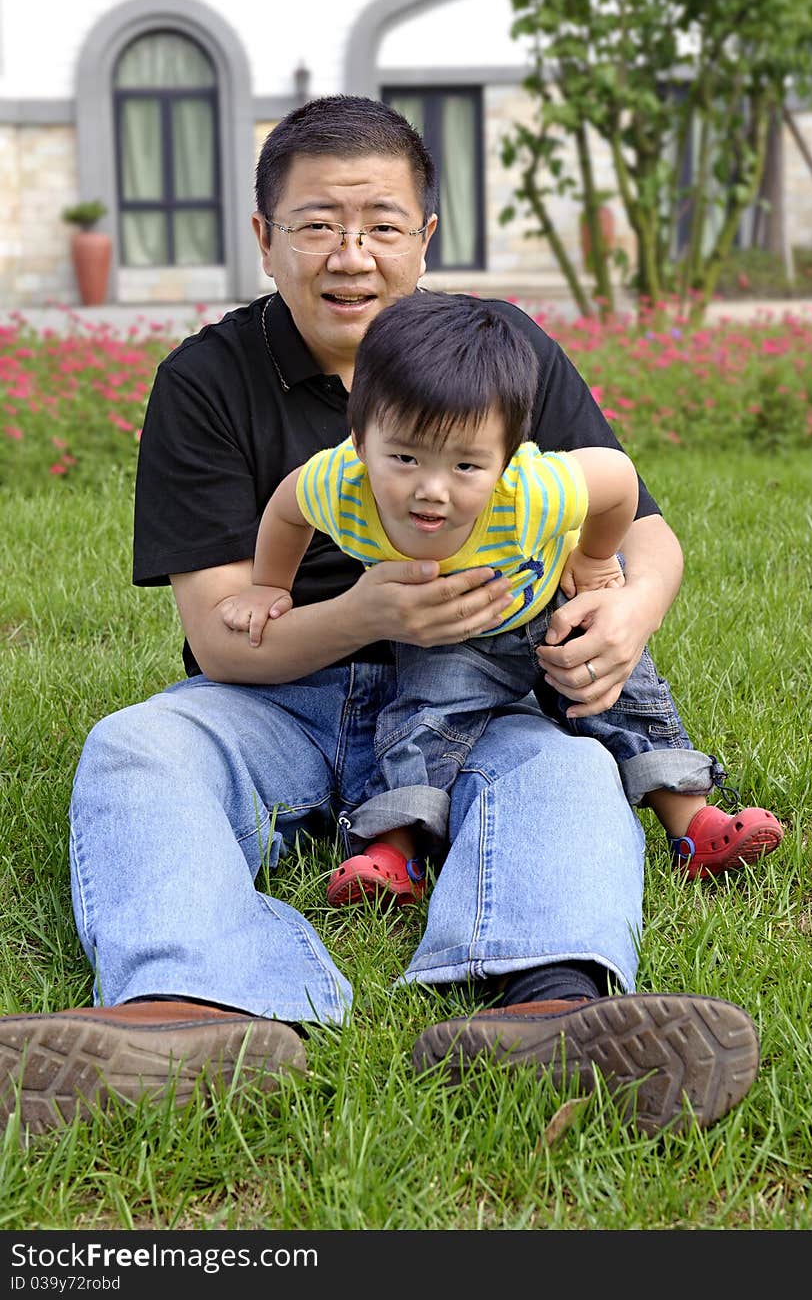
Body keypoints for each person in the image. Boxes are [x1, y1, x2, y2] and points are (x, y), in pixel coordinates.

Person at [0, 94, 763, 1140]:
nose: (350, 255)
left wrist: (624, 613)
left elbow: (639, 523)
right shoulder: (206, 384)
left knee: (570, 768)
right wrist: (364, 610)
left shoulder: (493, 354)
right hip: (285, 697)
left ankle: (548, 1009)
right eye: (316, 224)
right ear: (266, 240)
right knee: (138, 744)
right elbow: (225, 630)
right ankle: (193, 1005)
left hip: (479, 696)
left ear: (425, 240)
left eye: (381, 225)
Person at [220, 289, 781, 908]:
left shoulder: (532, 491)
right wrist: (270, 586)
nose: (431, 490)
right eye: (404, 457)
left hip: (552, 605)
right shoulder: (340, 483)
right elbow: (286, 510)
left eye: (466, 466)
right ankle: (393, 856)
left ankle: (693, 824)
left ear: (508, 458)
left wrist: (595, 559)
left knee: (622, 698)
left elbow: (618, 481)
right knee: (421, 723)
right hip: (451, 631)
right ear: (359, 435)